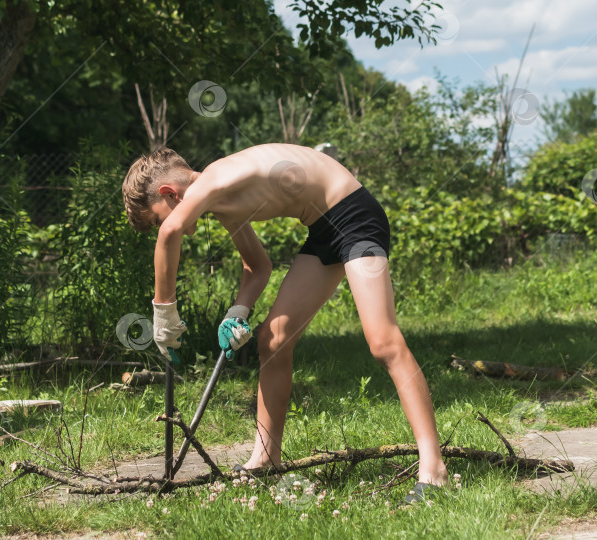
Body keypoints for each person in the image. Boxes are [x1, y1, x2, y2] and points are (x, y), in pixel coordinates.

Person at [121, 143, 448, 496]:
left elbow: (170, 235)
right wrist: (238, 312)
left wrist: (164, 313)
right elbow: (258, 267)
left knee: (382, 341)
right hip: (324, 231)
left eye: (157, 218)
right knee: (272, 341)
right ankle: (266, 459)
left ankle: (434, 468)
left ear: (170, 193)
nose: (165, 227)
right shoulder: (220, 204)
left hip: (354, 217)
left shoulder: (213, 181)